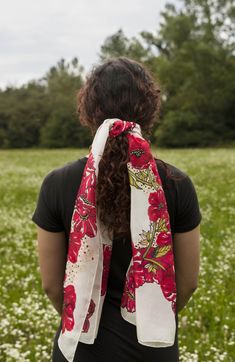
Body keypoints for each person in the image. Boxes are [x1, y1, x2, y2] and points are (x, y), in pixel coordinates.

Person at [31, 56, 201, 362]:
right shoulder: (177, 184)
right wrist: (153, 317)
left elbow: (52, 286)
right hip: (151, 349)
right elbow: (187, 283)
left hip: (81, 349)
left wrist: (81, 319)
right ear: (150, 109)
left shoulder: (56, 184)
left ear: (88, 111)